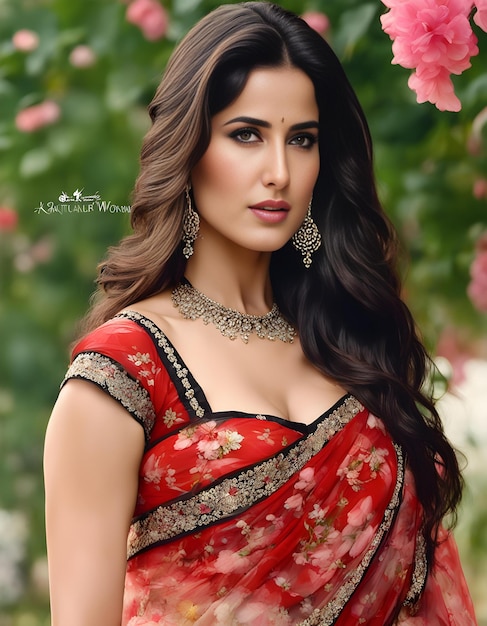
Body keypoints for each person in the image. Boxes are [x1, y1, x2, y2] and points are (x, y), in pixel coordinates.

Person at [43, 2, 477, 625]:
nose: (279, 172)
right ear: (189, 150)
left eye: (302, 140)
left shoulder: (352, 340)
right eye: (246, 135)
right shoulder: (124, 373)